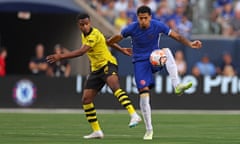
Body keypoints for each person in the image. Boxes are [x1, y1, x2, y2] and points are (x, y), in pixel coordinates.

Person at [107, 6, 202, 140]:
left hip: (154, 58)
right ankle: (149, 130)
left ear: (150, 17)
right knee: (144, 94)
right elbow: (112, 40)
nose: (143, 21)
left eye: (146, 18)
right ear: (137, 18)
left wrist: (190, 44)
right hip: (140, 63)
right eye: (141, 18)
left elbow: (177, 36)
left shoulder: (158, 26)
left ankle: (177, 85)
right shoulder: (131, 28)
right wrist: (120, 49)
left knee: (167, 51)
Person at [46, 13, 141, 139]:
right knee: (86, 100)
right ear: (78, 25)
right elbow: (107, 42)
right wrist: (122, 49)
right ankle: (97, 131)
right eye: (82, 25)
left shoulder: (94, 34)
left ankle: (133, 114)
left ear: (90, 23)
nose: (85, 26)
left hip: (108, 63)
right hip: (96, 70)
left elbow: (81, 52)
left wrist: (60, 56)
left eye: (86, 24)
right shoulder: (84, 35)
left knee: (115, 87)